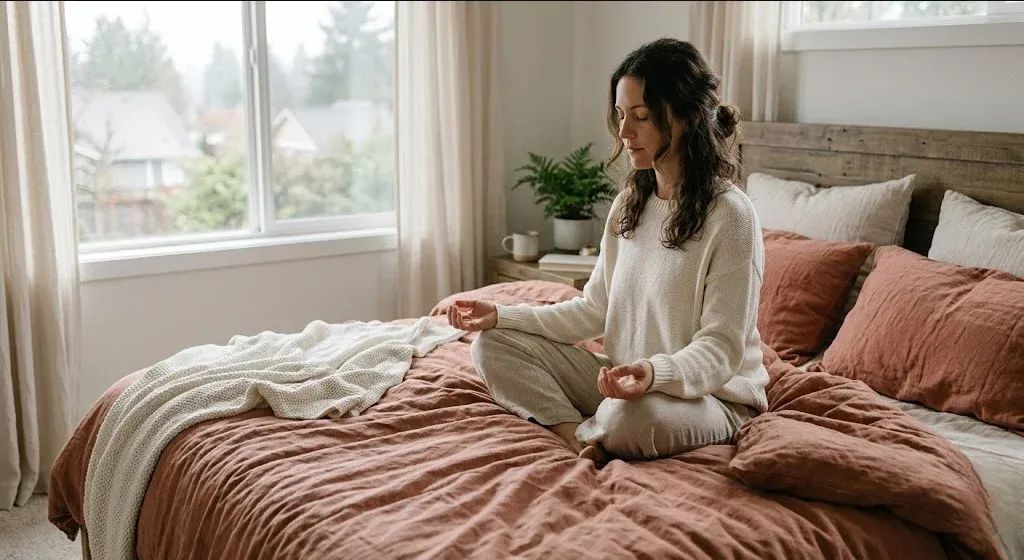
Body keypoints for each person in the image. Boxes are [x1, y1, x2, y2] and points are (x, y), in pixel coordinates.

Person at [447, 38, 769, 469]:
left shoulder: (731, 215)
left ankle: (601, 430)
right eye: (620, 115)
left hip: (709, 397)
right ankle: (573, 436)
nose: (623, 132)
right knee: (492, 345)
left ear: (688, 117)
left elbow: (721, 349)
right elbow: (594, 310)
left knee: (632, 415)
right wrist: (503, 316)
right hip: (624, 379)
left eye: (640, 116)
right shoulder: (630, 204)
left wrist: (654, 375)